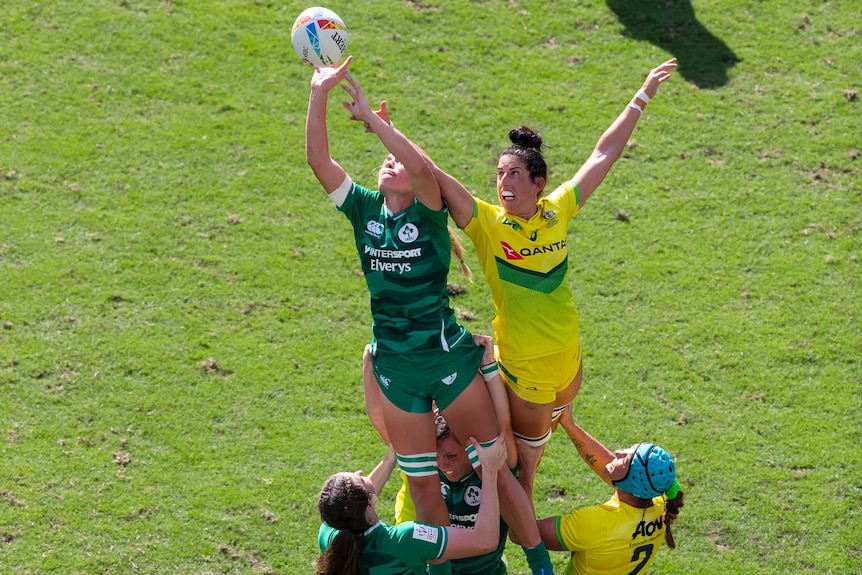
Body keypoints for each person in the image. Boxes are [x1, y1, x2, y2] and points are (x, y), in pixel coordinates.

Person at [305, 57, 555, 575]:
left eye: (394, 159)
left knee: (496, 467)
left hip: (447, 359)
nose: (387, 164)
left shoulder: (428, 212)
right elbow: (318, 160)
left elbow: (420, 169)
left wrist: (378, 125)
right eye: (383, 161)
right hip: (397, 371)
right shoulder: (364, 210)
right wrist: (318, 92)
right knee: (422, 488)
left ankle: (539, 567)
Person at [412, 58, 679, 504]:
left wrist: (642, 96)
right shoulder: (486, 223)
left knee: (538, 441)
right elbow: (436, 175)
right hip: (527, 368)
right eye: (498, 174)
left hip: (569, 358)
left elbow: (604, 153)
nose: (502, 182)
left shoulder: (558, 210)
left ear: (538, 183)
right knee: (523, 468)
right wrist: (387, 133)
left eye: (513, 173)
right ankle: (520, 542)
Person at [316, 434, 507, 575]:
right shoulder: (405, 540)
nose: (360, 473)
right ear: (368, 504)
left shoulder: (330, 537)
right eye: (360, 479)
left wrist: (390, 459)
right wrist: (490, 469)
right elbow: (485, 541)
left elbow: (351, 506)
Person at [536, 405, 685, 575]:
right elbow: (606, 465)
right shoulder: (659, 507)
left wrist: (527, 473)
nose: (618, 452)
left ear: (632, 484)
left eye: (625, 458)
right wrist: (569, 425)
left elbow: (525, 533)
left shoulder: (599, 524)